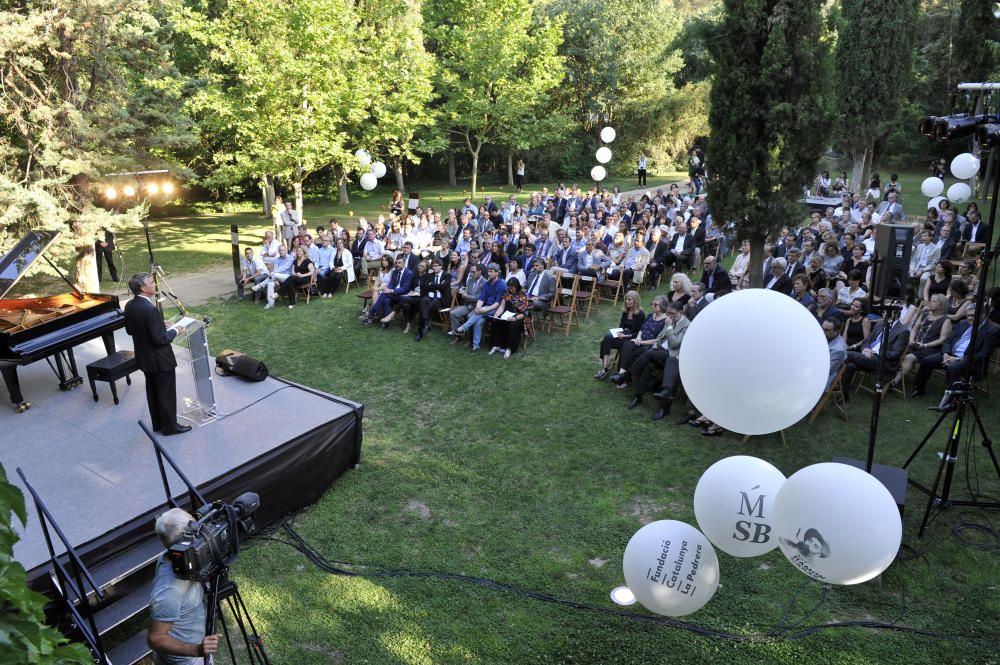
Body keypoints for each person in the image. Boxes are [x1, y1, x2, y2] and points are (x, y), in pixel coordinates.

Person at [148, 508, 219, 664]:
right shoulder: (168, 592)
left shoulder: (176, 558)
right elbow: (155, 639)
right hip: (187, 660)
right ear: (185, 542)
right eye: (194, 528)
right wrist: (197, 650)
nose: (201, 530)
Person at [124, 273, 189, 435]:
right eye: (151, 283)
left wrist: (159, 324)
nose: (155, 285)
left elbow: (130, 330)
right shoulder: (150, 309)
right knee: (166, 394)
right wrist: (175, 330)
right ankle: (170, 427)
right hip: (160, 360)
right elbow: (161, 340)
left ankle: (158, 425)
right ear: (143, 288)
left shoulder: (130, 306)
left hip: (145, 359)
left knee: (153, 392)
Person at [609, 295, 670, 388]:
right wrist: (638, 337)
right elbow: (642, 329)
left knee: (632, 353)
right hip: (640, 340)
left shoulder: (666, 321)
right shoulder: (650, 315)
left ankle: (624, 378)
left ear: (663, 306)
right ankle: (622, 375)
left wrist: (641, 342)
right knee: (627, 344)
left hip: (649, 346)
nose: (652, 306)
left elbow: (658, 340)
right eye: (652, 304)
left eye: (655, 305)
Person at [451, 263, 506, 352]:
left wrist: (483, 309)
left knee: (479, 314)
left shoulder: (502, 285)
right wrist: (478, 307)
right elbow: (481, 299)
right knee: (478, 322)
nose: (488, 273)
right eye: (488, 271)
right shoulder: (487, 284)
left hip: (496, 310)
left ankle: (463, 328)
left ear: (497, 273)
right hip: (485, 308)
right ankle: (476, 346)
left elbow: (497, 304)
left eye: (491, 271)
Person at [595, 291, 645, 380]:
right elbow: (621, 326)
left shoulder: (640, 314)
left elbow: (639, 333)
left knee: (609, 341)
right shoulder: (626, 311)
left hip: (631, 340)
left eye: (629, 299)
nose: (626, 301)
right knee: (606, 339)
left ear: (635, 301)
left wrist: (626, 335)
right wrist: (619, 332)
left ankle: (612, 370)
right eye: (626, 299)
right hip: (623, 336)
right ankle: (605, 366)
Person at [490, 278, 533, 358]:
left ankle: (510, 348)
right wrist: (496, 314)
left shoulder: (523, 294)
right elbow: (502, 306)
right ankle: (496, 345)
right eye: (509, 287)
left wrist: (515, 318)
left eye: (512, 287)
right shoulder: (507, 292)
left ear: (517, 286)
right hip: (508, 314)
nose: (510, 289)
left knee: (513, 325)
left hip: (520, 316)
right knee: (495, 321)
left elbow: (525, 312)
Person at [414, 258, 451, 342]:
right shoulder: (429, 275)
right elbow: (425, 287)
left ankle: (420, 331)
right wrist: (437, 286)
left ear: (441, 266)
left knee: (423, 306)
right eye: (432, 266)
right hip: (429, 298)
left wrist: (432, 285)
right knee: (423, 301)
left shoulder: (447, 275)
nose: (434, 268)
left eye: (436, 266)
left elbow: (443, 287)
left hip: (440, 300)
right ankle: (426, 324)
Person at [823, 318, 848, 390]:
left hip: (821, 380)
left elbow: (826, 370)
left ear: (837, 331)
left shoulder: (838, 350)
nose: (822, 331)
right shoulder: (827, 337)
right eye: (822, 328)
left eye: (826, 330)